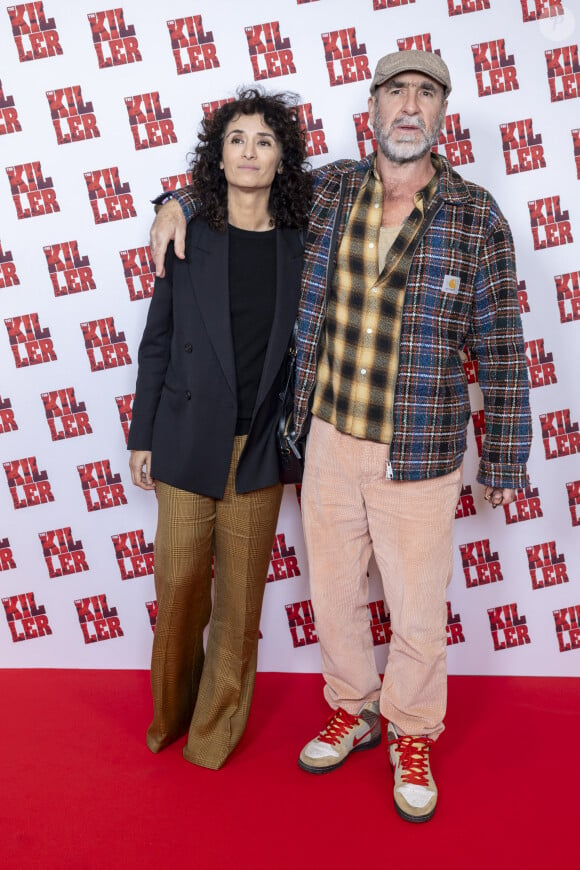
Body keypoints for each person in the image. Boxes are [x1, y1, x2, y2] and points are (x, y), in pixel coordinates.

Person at [148, 51, 532, 820]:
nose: (409, 107)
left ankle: (412, 730)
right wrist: (174, 200)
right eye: (397, 91)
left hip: (420, 449)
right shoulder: (329, 191)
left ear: (441, 111)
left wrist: (506, 457)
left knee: (418, 612)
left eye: (426, 93)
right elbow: (244, 184)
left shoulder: (476, 213)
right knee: (335, 598)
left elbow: (500, 346)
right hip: (324, 438)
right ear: (374, 105)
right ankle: (354, 707)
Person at [128, 88, 311, 770]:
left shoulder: (304, 244)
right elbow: (158, 341)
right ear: (219, 155)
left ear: (281, 158)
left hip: (259, 448)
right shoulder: (187, 235)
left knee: (238, 606)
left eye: (264, 140)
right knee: (177, 588)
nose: (249, 151)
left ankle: (214, 733)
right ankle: (171, 715)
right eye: (237, 139)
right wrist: (141, 435)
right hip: (182, 441)